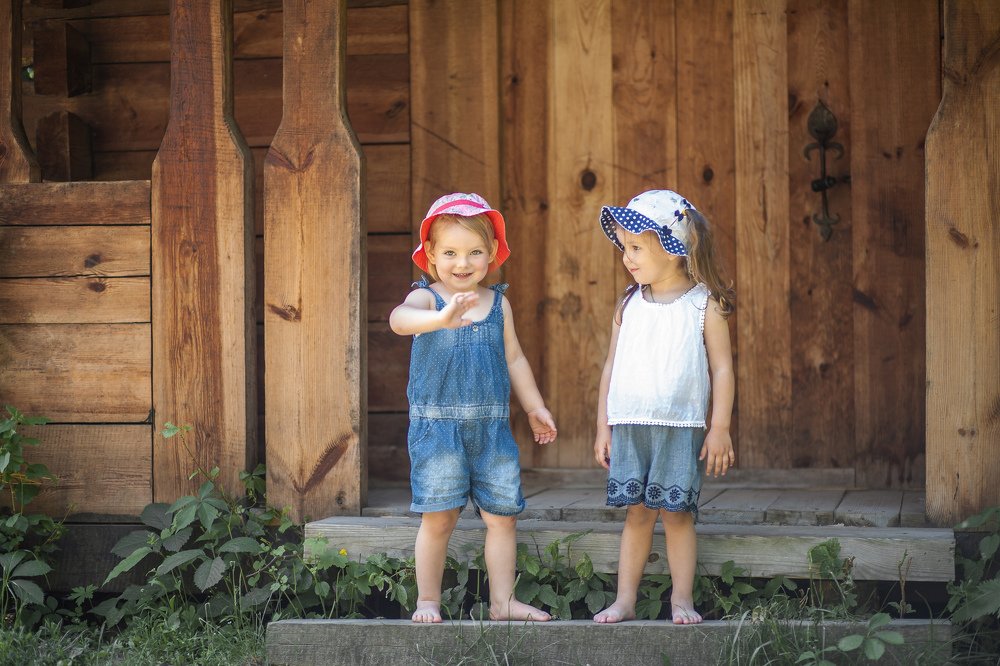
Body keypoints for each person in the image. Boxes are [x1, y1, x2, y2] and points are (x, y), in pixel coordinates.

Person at [389, 192, 558, 623]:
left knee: (502, 518)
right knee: (439, 519)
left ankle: (502, 603)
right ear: (430, 253)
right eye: (450, 252)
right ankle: (428, 599)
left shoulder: (498, 304)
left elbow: (515, 358)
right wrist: (440, 319)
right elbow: (398, 320)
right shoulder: (426, 299)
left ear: (491, 255)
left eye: (474, 252)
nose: (462, 262)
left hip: (491, 429)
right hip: (438, 430)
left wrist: (535, 406)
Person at [591, 190, 735, 625]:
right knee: (637, 514)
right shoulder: (628, 304)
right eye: (624, 247)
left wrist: (720, 427)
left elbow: (723, 369)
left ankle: (681, 600)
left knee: (675, 515)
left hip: (680, 425)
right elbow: (611, 367)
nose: (626, 257)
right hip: (630, 424)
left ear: (674, 250)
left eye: (636, 247)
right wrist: (603, 427)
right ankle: (625, 600)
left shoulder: (703, 304)